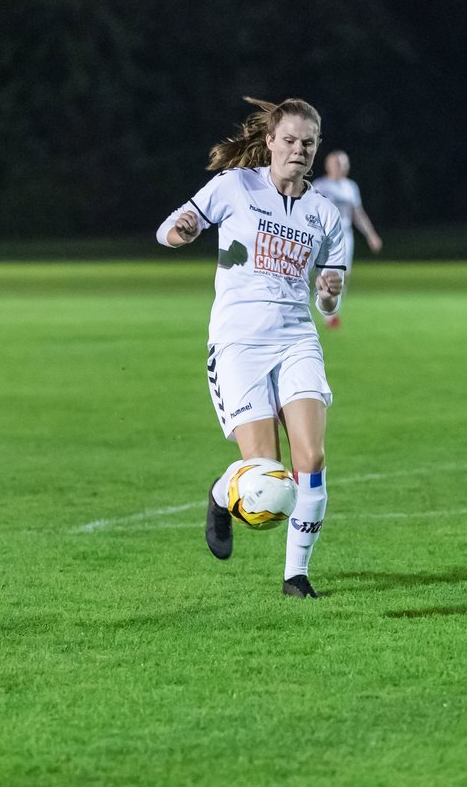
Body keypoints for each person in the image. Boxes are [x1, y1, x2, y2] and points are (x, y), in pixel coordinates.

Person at [156, 97, 348, 599]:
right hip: (238, 341)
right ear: (270, 142)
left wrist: (329, 294)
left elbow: (329, 301)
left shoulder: (326, 215)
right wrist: (184, 230)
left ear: (316, 148)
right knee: (265, 480)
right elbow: (170, 228)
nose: (299, 150)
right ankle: (222, 497)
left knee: (311, 459)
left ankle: (296, 578)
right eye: (289, 140)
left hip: (295, 338)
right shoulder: (234, 187)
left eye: (308, 143)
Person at [309, 150, 382, 328]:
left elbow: (358, 214)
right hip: (324, 236)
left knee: (342, 275)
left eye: (344, 164)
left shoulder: (351, 186)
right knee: (321, 273)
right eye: (338, 163)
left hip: (345, 235)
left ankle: (331, 310)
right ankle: (322, 311)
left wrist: (371, 235)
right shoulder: (320, 185)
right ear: (328, 165)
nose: (342, 167)